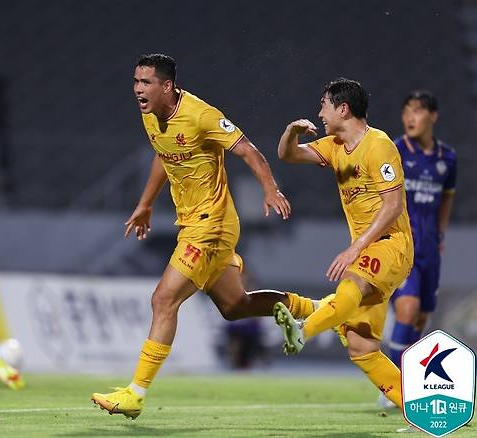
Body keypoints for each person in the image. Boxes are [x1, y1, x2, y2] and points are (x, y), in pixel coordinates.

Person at [91, 53, 315, 419]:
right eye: (135, 81)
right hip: (194, 223)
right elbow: (163, 155)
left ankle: (135, 393)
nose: (137, 89)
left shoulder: (201, 115)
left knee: (163, 300)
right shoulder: (151, 115)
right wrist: (145, 204)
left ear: (167, 86)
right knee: (234, 307)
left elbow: (249, 151)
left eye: (145, 82)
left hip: (211, 224)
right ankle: (314, 310)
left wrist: (270, 190)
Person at [273, 78, 414, 410]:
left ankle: (303, 328)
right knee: (360, 346)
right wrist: (292, 131)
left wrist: (356, 247)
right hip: (368, 248)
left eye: (324, 104)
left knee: (352, 282)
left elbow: (392, 206)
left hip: (391, 243)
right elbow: (287, 155)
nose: (320, 113)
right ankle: (416, 406)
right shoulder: (334, 145)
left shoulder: (378, 145)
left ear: (343, 108)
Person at [378, 90, 457, 409]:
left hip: (430, 250)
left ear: (432, 117)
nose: (410, 117)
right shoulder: (394, 152)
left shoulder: (447, 159)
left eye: (418, 111)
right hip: (401, 246)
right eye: (406, 111)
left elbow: (447, 196)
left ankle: (407, 379)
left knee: (421, 317)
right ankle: (390, 386)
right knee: (407, 310)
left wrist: (440, 232)